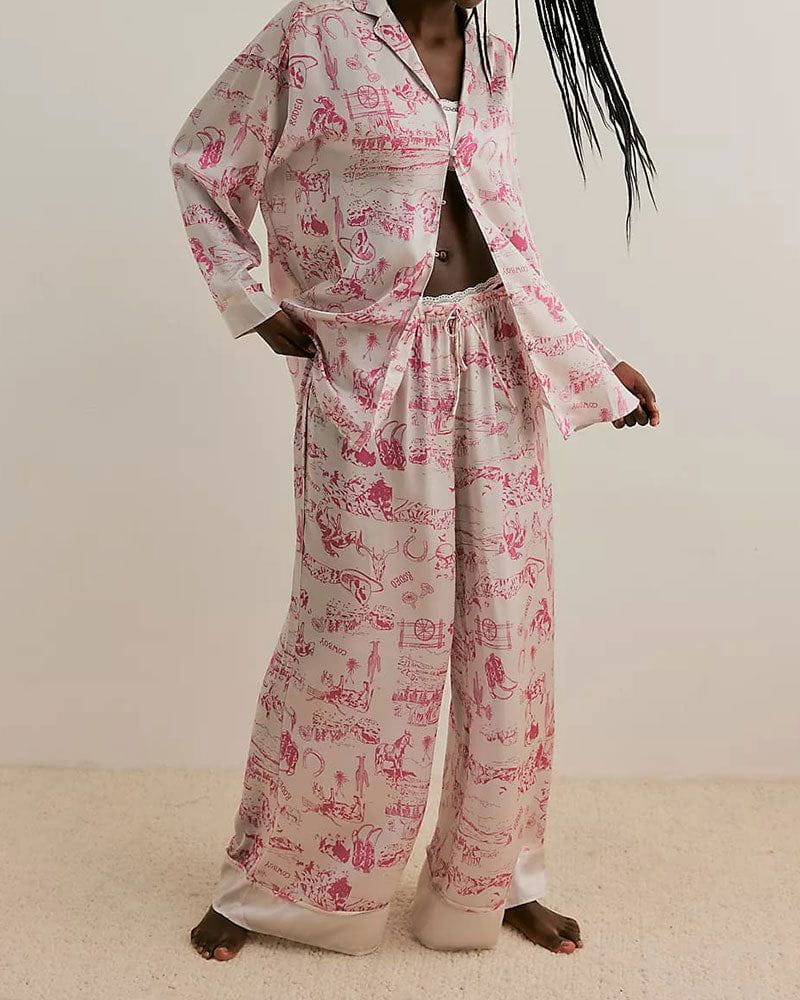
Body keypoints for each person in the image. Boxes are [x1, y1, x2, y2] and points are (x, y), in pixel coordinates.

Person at [167, 0, 659, 961]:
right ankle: (279, 887)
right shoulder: (314, 33)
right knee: (350, 634)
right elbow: (201, 160)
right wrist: (250, 301)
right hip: (371, 372)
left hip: (496, 363)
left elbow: (505, 237)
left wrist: (592, 356)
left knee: (507, 632)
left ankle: (494, 883)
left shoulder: (493, 51)